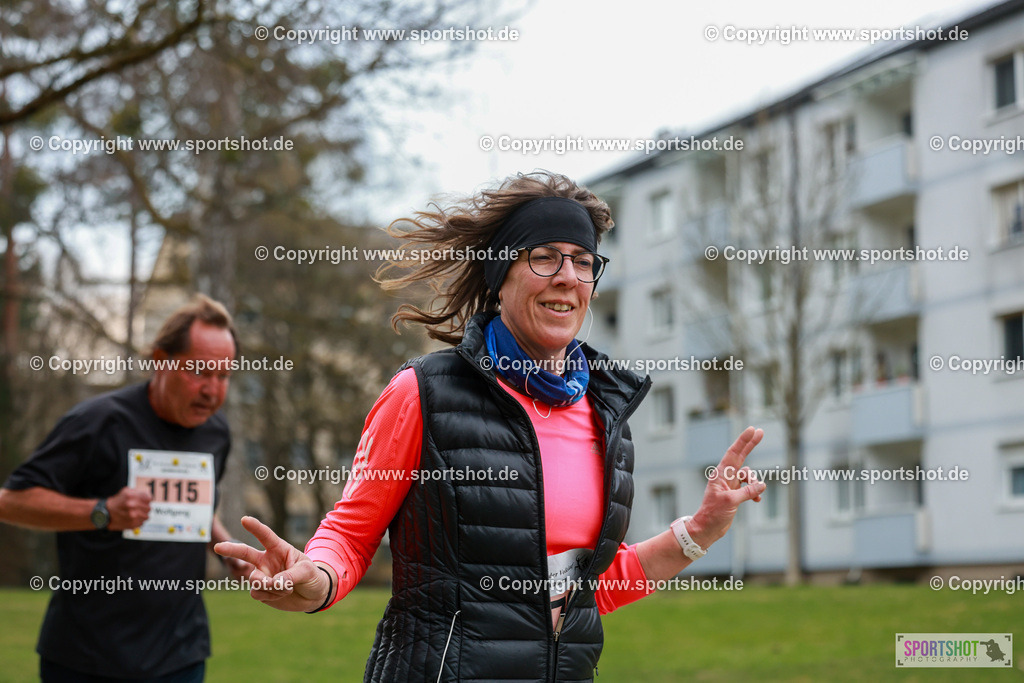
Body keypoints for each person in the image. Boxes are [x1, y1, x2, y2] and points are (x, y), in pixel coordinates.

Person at [216, 172, 767, 682]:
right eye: (546, 258)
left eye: (582, 260)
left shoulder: (606, 414)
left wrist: (702, 529)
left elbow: (589, 590)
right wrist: (317, 580)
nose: (568, 278)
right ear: (500, 275)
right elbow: (351, 534)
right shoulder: (424, 392)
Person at [0, 294, 252, 682]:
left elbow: (198, 503)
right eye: (200, 372)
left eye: (223, 376)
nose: (212, 391)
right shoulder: (97, 421)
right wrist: (101, 512)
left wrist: (224, 548)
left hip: (179, 654)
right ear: (160, 360)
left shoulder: (215, 432)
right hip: (86, 656)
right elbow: (12, 501)